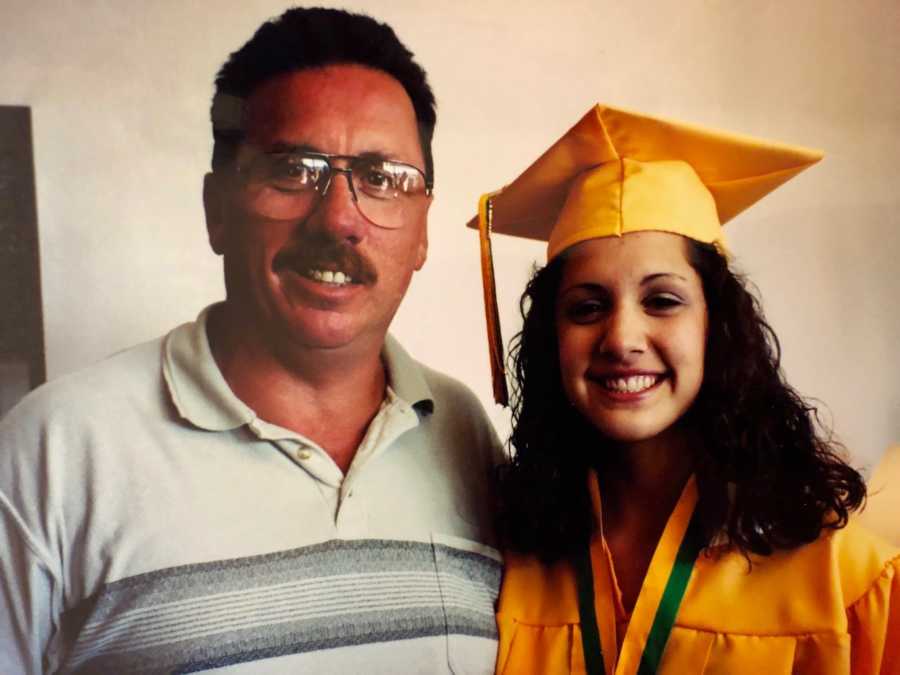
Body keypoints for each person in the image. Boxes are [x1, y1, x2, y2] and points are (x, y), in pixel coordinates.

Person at [0, 8, 502, 674]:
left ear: (423, 232)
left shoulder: (464, 432)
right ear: (216, 209)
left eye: (382, 179)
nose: (340, 218)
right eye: (294, 169)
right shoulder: (53, 450)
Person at [468, 105, 900, 673]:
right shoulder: (511, 555)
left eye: (662, 300)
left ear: (715, 326)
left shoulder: (846, 579)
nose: (622, 338)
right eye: (587, 307)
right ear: (554, 339)